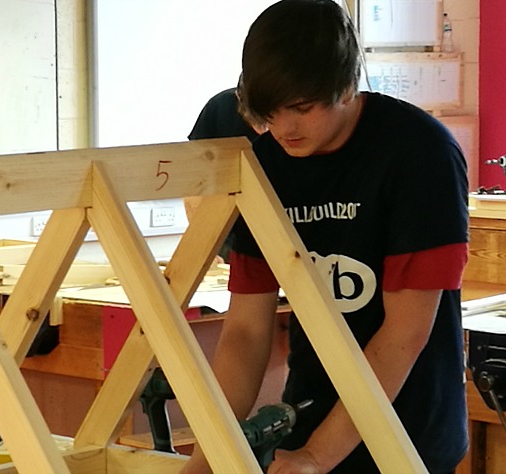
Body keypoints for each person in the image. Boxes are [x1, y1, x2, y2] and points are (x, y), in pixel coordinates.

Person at [182, 1, 469, 473]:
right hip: (310, 412)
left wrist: (319, 456)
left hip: (408, 431)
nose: (285, 129)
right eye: (271, 112)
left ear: (347, 86)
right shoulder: (268, 162)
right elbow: (246, 331)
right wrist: (207, 456)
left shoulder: (419, 155)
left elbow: (404, 334)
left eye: (301, 108)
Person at [186, 81, 267, 262]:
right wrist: (205, 246)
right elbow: (194, 184)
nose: (264, 130)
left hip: (284, 226)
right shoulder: (219, 108)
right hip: (228, 229)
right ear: (239, 98)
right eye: (256, 118)